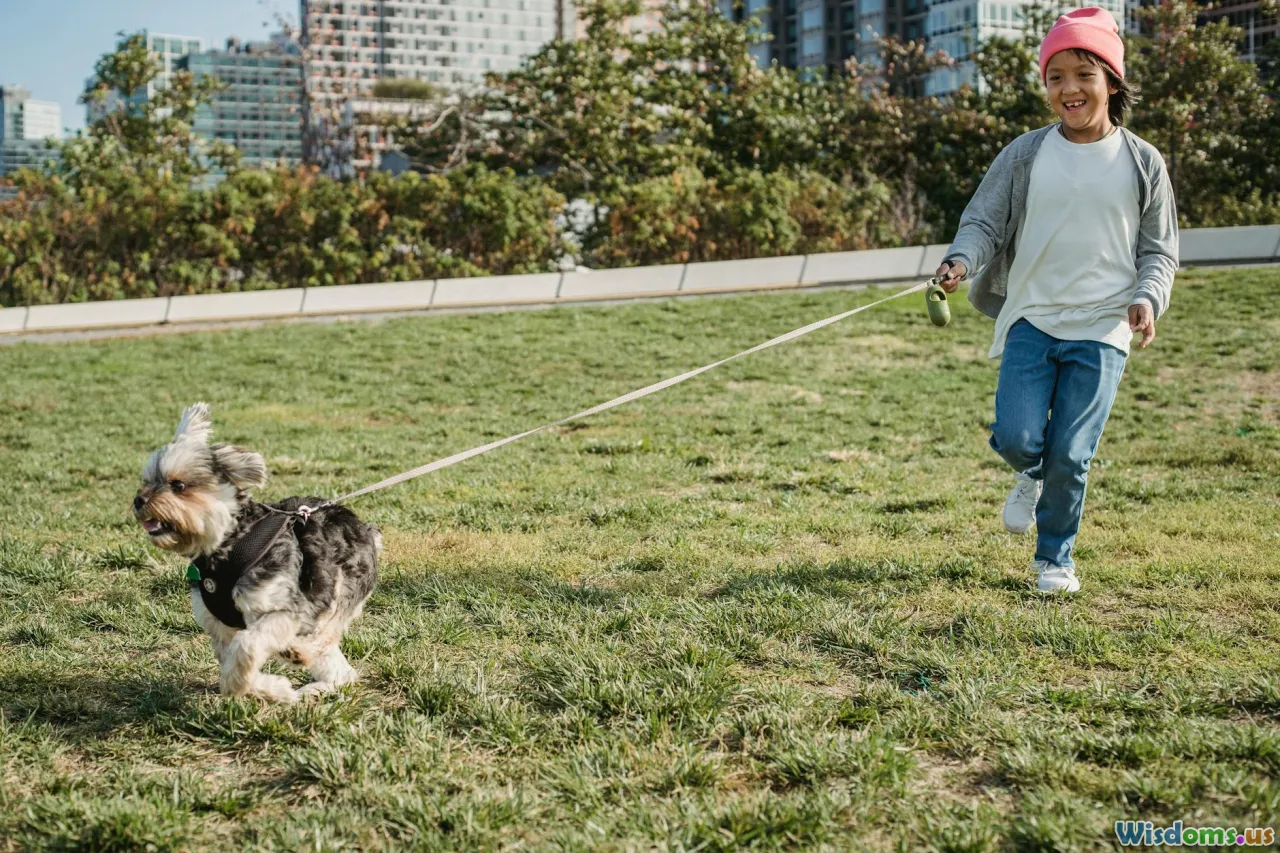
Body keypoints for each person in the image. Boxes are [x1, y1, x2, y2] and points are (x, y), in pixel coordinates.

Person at [935, 7, 1178, 593]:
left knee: (1073, 450)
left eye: (1083, 74)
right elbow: (983, 222)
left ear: (1112, 82)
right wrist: (962, 260)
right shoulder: (1026, 153)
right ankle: (1032, 471)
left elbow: (1160, 252)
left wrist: (1147, 298)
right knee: (1020, 437)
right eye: (1055, 76)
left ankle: (1054, 559)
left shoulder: (1143, 162)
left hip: (1102, 327)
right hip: (1033, 318)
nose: (1068, 88)